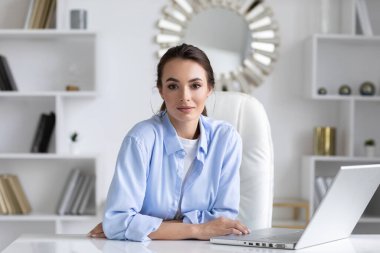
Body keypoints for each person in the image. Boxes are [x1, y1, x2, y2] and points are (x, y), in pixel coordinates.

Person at [88, 43, 250, 241]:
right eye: (173, 86)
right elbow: (118, 222)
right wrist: (198, 229)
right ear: (161, 91)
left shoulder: (226, 139)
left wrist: (141, 226)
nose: (185, 97)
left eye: (195, 85)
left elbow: (224, 220)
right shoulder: (140, 140)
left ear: (209, 89)